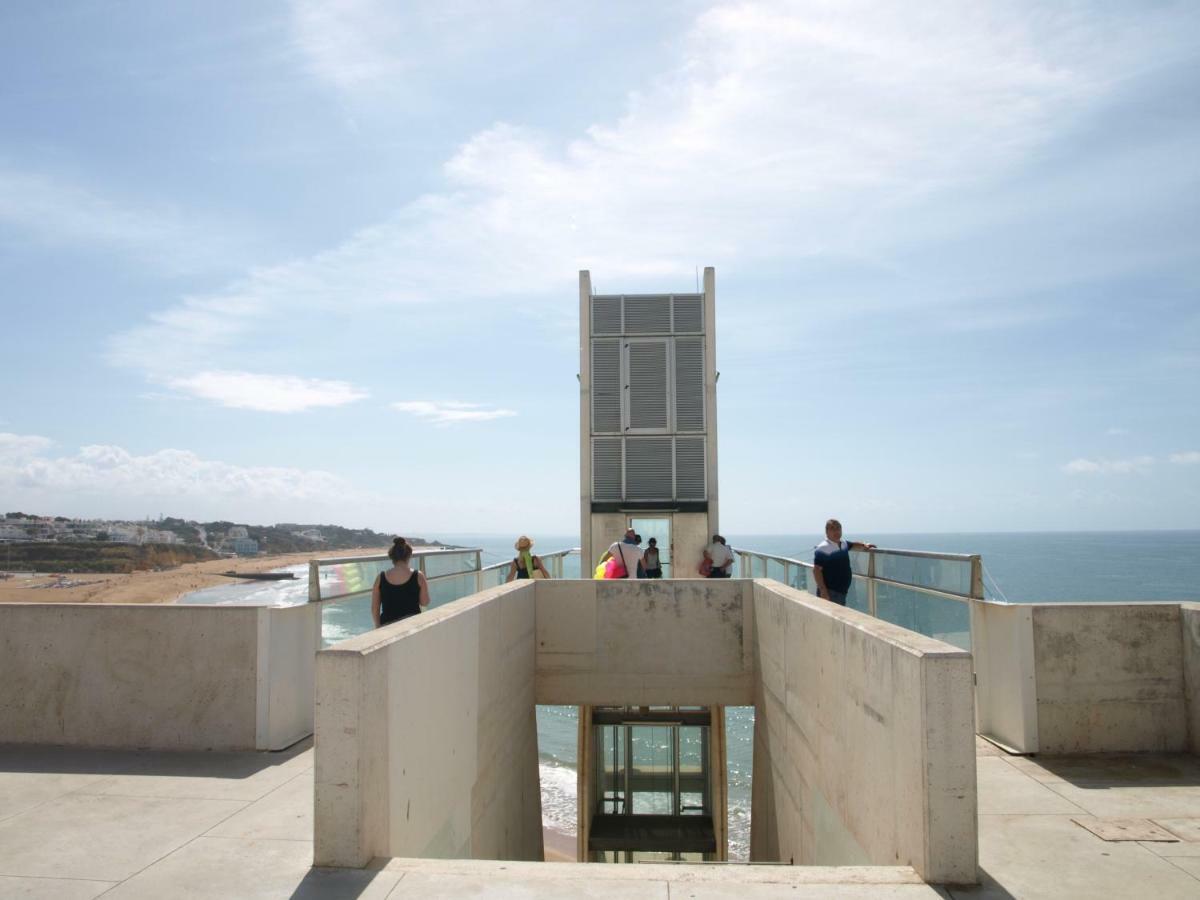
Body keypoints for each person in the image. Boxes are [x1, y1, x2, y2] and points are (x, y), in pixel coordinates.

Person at [812, 519, 876, 606]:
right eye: (832, 529)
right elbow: (816, 570)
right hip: (830, 592)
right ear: (827, 532)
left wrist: (864, 545)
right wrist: (823, 591)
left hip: (841, 592)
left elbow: (853, 544)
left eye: (838, 528)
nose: (836, 531)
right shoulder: (823, 548)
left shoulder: (843, 543)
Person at [371, 536, 430, 627]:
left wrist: (378, 628)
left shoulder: (381, 577)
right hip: (412, 626)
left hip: (387, 627)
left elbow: (375, 608)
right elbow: (424, 602)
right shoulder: (418, 575)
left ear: (391, 556)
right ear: (409, 555)